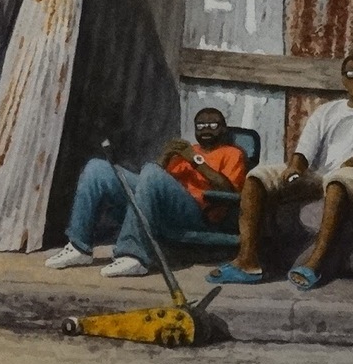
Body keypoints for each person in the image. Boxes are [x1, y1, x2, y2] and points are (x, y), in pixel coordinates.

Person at [206, 53, 353, 291]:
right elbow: (304, 151)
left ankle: (314, 264)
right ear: (343, 80)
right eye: (351, 74)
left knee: (338, 179)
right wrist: (295, 168)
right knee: (258, 177)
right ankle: (247, 262)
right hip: (324, 173)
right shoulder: (328, 111)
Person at [44, 107, 248, 277]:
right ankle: (79, 247)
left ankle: (134, 255)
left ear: (223, 129)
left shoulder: (233, 153)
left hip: (198, 213)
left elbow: (228, 189)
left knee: (150, 171)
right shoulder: (187, 149)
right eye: (201, 125)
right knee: (98, 168)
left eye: (213, 125)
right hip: (165, 208)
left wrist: (194, 160)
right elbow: (154, 181)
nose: (206, 129)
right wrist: (166, 155)